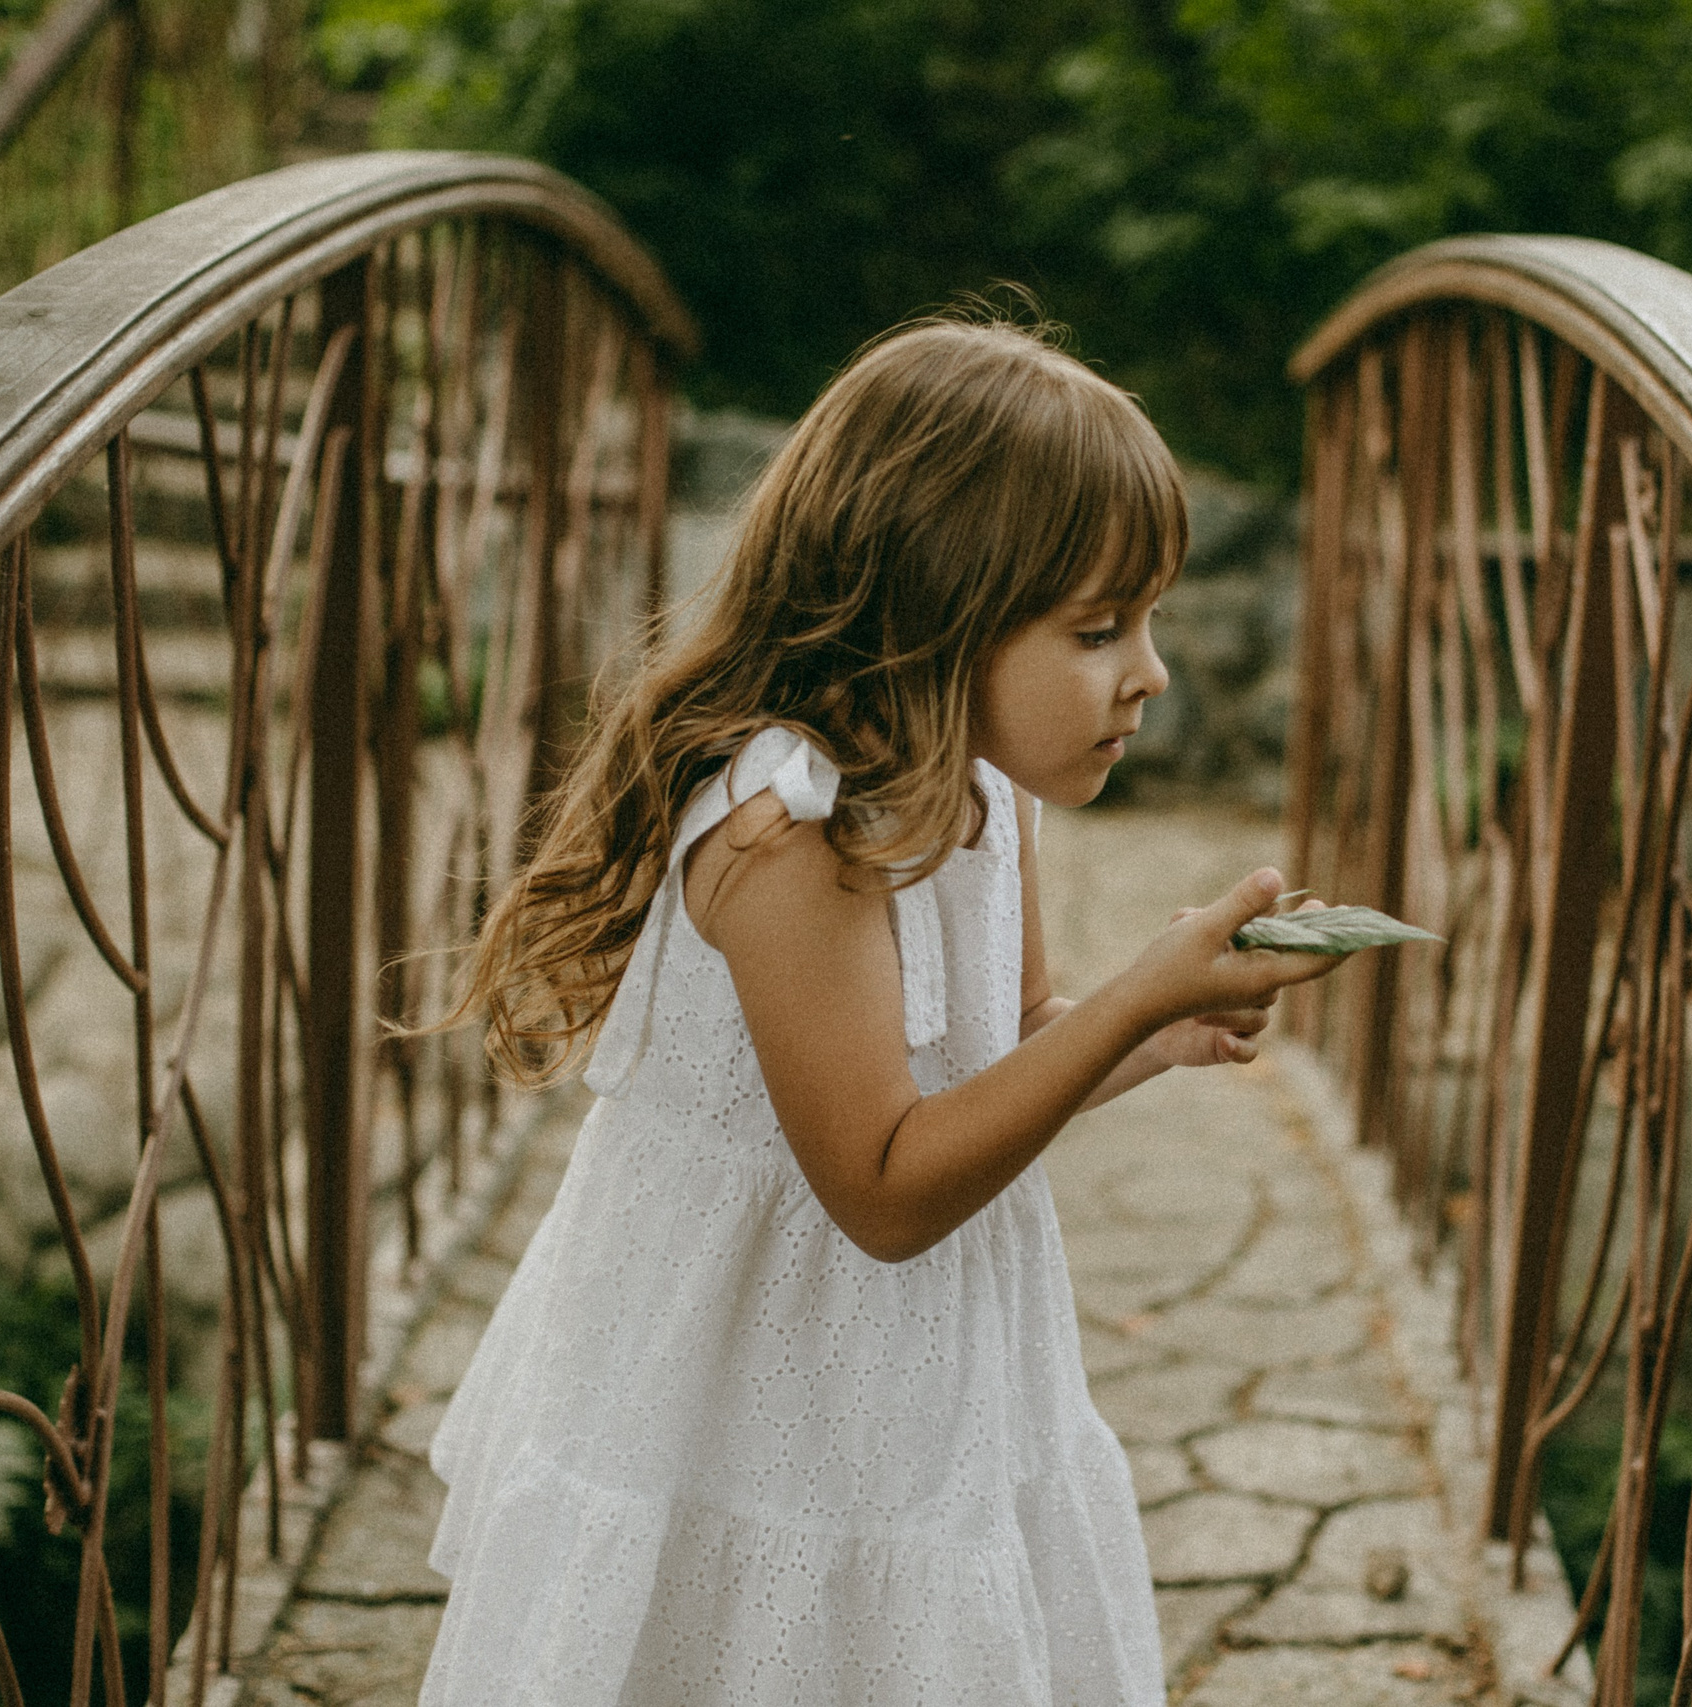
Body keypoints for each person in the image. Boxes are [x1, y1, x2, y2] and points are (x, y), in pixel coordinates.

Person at [417, 314, 1350, 1706]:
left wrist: (1144, 1033)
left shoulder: (986, 791)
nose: (1149, 673)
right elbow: (885, 1189)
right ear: (938, 610)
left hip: (913, 1382)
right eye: (1098, 631)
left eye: (1145, 622)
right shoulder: (780, 828)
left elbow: (1002, 1052)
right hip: (738, 1375)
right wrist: (1139, 993)